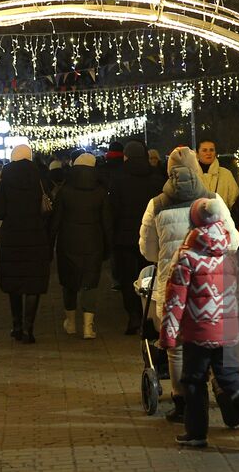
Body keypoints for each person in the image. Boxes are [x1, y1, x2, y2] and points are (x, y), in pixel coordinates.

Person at [161, 197, 239, 452]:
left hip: (198, 331)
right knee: (230, 377)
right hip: (227, 330)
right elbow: (237, 293)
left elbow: (175, 299)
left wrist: (168, 334)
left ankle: (196, 432)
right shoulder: (229, 255)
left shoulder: (187, 256)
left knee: (193, 380)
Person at [140, 147, 239, 422]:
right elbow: (232, 241)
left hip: (172, 287)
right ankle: (221, 388)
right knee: (214, 342)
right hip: (211, 286)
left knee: (177, 348)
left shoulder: (157, 205)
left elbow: (147, 250)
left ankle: (182, 400)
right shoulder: (213, 200)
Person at [0, 143, 53, 343]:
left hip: (12, 237)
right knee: (33, 282)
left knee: (14, 281)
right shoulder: (39, 180)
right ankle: (29, 329)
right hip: (35, 236)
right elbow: (48, 208)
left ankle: (16, 326)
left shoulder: (5, 182)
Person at [51, 152, 113, 339]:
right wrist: (108, 246)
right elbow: (107, 222)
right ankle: (88, 326)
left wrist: (49, 242)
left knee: (69, 282)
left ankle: (70, 322)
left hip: (68, 241)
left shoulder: (65, 191)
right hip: (93, 241)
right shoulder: (101, 192)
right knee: (90, 282)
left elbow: (56, 220)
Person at [108, 140, 164, 334]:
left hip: (125, 239)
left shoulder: (118, 178)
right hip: (151, 237)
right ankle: (148, 316)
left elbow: (113, 209)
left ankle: (133, 316)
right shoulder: (156, 178)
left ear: (126, 156)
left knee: (128, 278)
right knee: (148, 276)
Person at [196, 139, 239, 207]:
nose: (208, 153)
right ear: (197, 154)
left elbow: (235, 202)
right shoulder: (191, 176)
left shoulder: (226, 174)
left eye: (211, 150)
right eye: (204, 150)